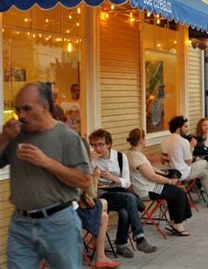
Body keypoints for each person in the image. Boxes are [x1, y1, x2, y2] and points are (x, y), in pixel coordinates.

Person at [0, 83, 92, 268]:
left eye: (27, 108)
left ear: (45, 106)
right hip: (21, 223)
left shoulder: (68, 137)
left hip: (59, 222)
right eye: (18, 109)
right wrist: (4, 138)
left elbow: (84, 179)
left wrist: (46, 162)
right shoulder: (15, 135)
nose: (21, 115)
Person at [89, 129, 157, 258]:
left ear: (108, 144)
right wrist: (89, 163)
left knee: (125, 212)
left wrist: (113, 178)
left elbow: (126, 182)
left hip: (119, 192)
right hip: (102, 194)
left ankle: (121, 244)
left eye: (101, 144)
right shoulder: (92, 161)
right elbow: (88, 183)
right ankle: (140, 238)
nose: (97, 148)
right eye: (94, 145)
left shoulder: (120, 157)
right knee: (130, 198)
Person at [126, 128, 192, 236]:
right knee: (179, 192)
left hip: (145, 186)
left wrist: (164, 173)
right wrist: (170, 181)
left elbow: (149, 168)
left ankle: (174, 221)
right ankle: (178, 224)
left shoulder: (131, 153)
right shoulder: (136, 156)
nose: (145, 140)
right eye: (145, 138)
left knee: (174, 191)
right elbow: (152, 177)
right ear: (141, 140)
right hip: (146, 189)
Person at [161, 115, 208, 206]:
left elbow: (163, 160)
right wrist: (192, 146)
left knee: (205, 173)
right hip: (182, 173)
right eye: (185, 126)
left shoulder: (164, 141)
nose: (187, 129)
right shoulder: (183, 141)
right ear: (179, 128)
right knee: (205, 162)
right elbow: (188, 161)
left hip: (170, 173)